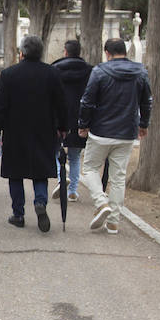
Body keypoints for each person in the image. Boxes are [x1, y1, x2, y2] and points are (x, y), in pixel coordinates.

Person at [0, 35, 68, 231]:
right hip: (44, 129)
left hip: (15, 130)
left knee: (15, 173)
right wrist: (63, 127)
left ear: (22, 52)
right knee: (40, 170)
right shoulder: (52, 74)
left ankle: (18, 214)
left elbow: (1, 106)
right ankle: (40, 202)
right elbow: (61, 104)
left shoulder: (9, 74)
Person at [78, 37, 151, 234]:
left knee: (90, 168)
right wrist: (143, 124)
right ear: (125, 52)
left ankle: (101, 203)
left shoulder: (100, 71)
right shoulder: (140, 72)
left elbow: (87, 101)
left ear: (107, 53)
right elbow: (146, 101)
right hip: (127, 131)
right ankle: (113, 221)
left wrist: (83, 124)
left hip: (101, 130)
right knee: (118, 176)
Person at [51, 39, 91, 203]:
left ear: (65, 52)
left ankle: (62, 180)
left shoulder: (54, 70)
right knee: (74, 157)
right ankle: (73, 190)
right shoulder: (89, 71)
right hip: (79, 117)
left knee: (55, 152)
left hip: (59, 117)